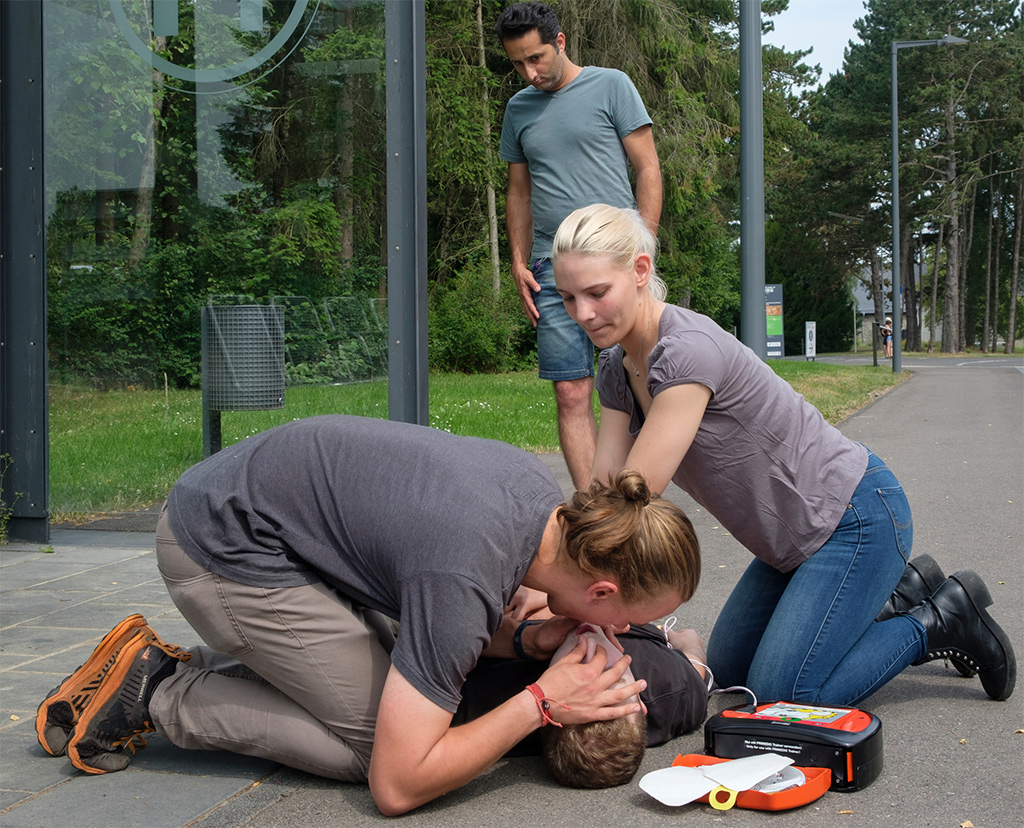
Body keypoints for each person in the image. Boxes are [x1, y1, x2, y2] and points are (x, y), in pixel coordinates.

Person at [34, 415, 701, 816]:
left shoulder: (535, 496)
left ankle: (155, 666)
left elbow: (442, 605)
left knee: (388, 685)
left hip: (253, 514)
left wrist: (532, 637)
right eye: (629, 619)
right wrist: (543, 700)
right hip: (219, 550)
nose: (618, 635)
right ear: (606, 591)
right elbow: (397, 786)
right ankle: (158, 692)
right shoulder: (465, 574)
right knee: (371, 748)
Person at [548, 203, 1016, 706]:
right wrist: (547, 570)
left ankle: (941, 616)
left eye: (597, 293)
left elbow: (630, 500)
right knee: (732, 671)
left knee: (783, 693)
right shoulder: (618, 368)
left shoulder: (686, 351)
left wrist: (560, 582)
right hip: (789, 544)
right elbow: (599, 491)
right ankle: (899, 590)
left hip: (855, 517)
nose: (582, 314)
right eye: (569, 297)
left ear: (640, 271)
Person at [494, 1, 662, 489]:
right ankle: (596, 511)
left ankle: (642, 500)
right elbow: (519, 192)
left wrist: (641, 249)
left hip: (616, 262)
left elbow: (648, 168)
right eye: (518, 63)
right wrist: (519, 261)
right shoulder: (518, 109)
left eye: (537, 57)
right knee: (570, 392)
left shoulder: (611, 85)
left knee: (643, 384)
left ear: (560, 42)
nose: (530, 72)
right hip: (551, 267)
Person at [455, 619, 709, 789]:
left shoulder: (481, 698)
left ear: (547, 717)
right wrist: (690, 646)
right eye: (611, 674)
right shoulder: (666, 686)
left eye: (577, 670)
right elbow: (694, 673)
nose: (592, 650)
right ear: (642, 703)